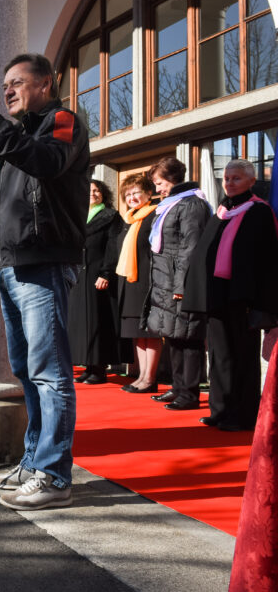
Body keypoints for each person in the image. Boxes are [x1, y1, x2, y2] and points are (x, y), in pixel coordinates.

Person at [0, 52, 89, 510]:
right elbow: (23, 198)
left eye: (17, 82)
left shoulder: (61, 120)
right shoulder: (20, 134)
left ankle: (54, 474)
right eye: (4, 83)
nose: (7, 90)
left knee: (49, 373)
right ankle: (33, 462)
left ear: (46, 83)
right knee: (28, 371)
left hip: (42, 262)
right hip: (12, 265)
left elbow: (47, 165)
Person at [184, 159, 278, 431]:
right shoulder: (222, 211)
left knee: (242, 357)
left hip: (243, 297)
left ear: (251, 181)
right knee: (219, 356)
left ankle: (243, 415)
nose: (229, 183)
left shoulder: (259, 211)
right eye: (226, 178)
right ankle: (220, 410)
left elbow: (265, 260)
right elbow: (205, 252)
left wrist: (261, 301)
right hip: (217, 295)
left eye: (236, 178)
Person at [142, 156, 212, 412]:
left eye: (160, 183)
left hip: (180, 281)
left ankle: (190, 394)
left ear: (173, 179)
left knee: (189, 337)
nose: (157, 189)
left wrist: (182, 286)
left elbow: (191, 248)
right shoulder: (171, 204)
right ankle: (178, 387)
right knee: (173, 336)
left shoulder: (192, 204)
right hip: (165, 280)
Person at [69, 180, 126, 385]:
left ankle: (99, 368)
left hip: (98, 274)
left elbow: (113, 246)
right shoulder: (78, 216)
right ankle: (87, 366)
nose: (92, 194)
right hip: (78, 275)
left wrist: (106, 272)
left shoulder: (111, 216)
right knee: (82, 323)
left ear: (103, 194)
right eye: (89, 190)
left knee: (97, 320)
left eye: (97, 191)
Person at [114, 173, 162, 394]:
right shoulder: (129, 219)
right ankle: (140, 375)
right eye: (128, 194)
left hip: (148, 281)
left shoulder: (154, 216)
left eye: (136, 193)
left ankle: (150, 378)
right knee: (136, 331)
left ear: (149, 194)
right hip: (130, 282)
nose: (132, 197)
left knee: (150, 333)